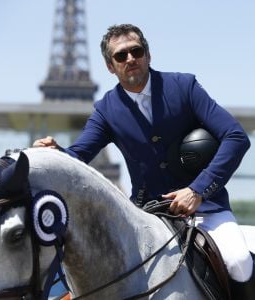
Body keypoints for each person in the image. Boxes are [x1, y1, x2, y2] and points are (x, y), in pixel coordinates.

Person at [33, 24, 254, 297]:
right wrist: (56, 152)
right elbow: (79, 155)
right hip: (148, 214)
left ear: (148, 55)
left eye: (136, 51)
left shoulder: (184, 86)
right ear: (110, 66)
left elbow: (236, 136)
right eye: (120, 55)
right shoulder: (106, 109)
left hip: (207, 208)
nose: (130, 59)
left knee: (239, 263)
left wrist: (198, 190)